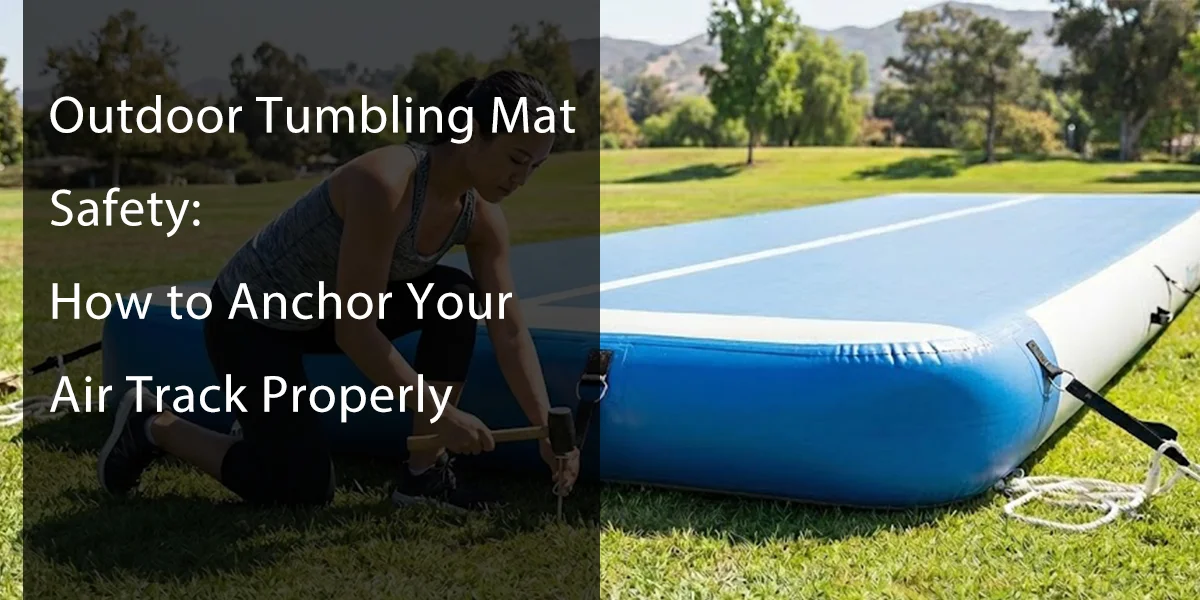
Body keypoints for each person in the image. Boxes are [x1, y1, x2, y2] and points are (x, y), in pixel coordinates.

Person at [95, 70, 580, 509]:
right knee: (302, 489)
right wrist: (442, 414)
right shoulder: (386, 184)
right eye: (516, 159)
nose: (522, 179)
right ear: (470, 132)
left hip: (322, 314)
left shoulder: (481, 217)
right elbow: (355, 331)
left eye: (535, 166)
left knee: (454, 293)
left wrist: (548, 427)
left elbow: (508, 330)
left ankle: (423, 475)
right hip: (252, 321)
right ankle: (153, 425)